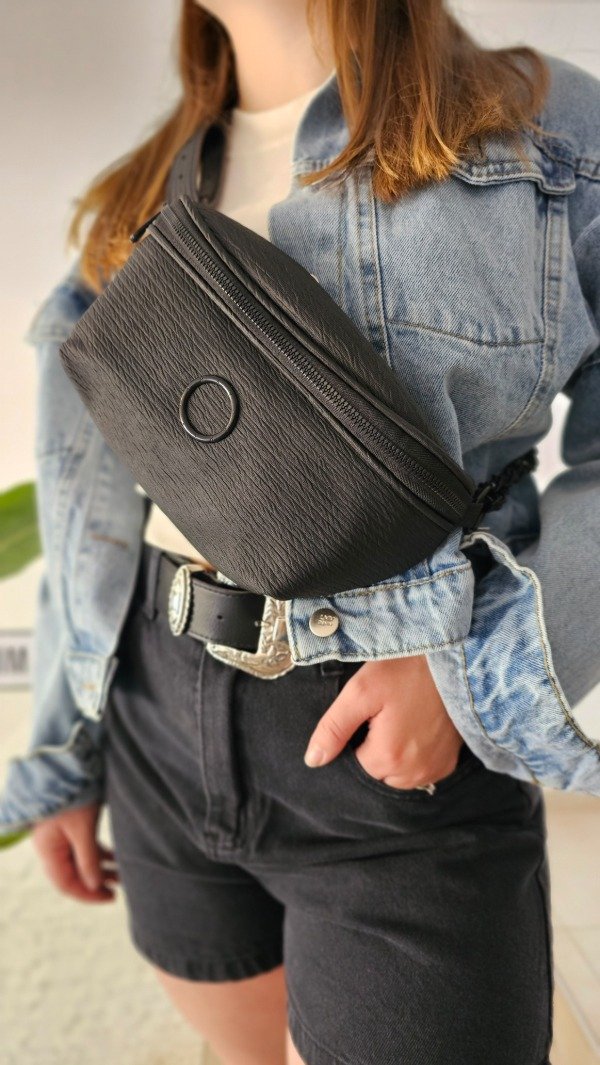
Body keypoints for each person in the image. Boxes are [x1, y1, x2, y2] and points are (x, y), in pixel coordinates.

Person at [2, 0, 600, 1062]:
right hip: (154, 714)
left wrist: (475, 677)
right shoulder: (142, 186)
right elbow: (86, 500)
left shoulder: (541, 127)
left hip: (392, 732)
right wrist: (68, 754)